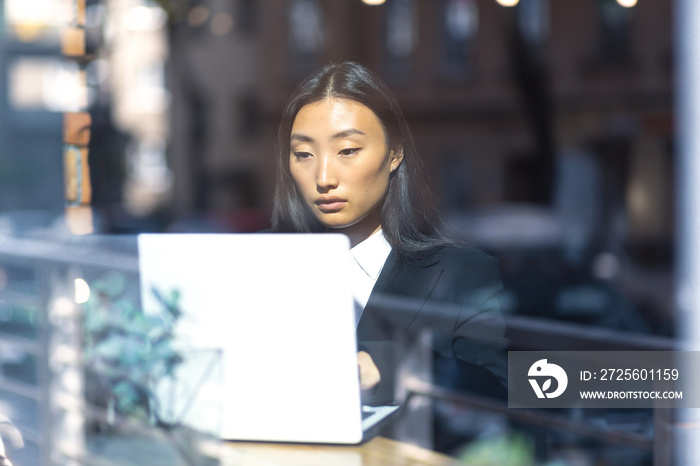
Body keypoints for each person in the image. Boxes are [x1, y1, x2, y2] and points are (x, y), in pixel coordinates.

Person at [271, 61, 506, 405]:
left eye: (347, 150)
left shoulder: (459, 274)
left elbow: (502, 386)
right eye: (303, 154)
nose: (323, 177)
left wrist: (391, 367)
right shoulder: (262, 267)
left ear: (395, 152)